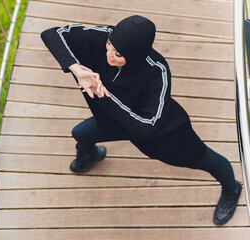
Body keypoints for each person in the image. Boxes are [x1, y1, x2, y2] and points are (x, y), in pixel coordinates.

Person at [41, 15, 242, 226]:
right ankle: (90, 154)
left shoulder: (158, 72)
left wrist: (103, 96)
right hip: (110, 122)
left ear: (136, 55)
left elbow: (147, 128)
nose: (109, 54)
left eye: (118, 54)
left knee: (204, 159)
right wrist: (75, 67)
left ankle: (231, 188)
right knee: (80, 133)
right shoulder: (105, 38)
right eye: (110, 46)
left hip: (161, 132)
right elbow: (51, 34)